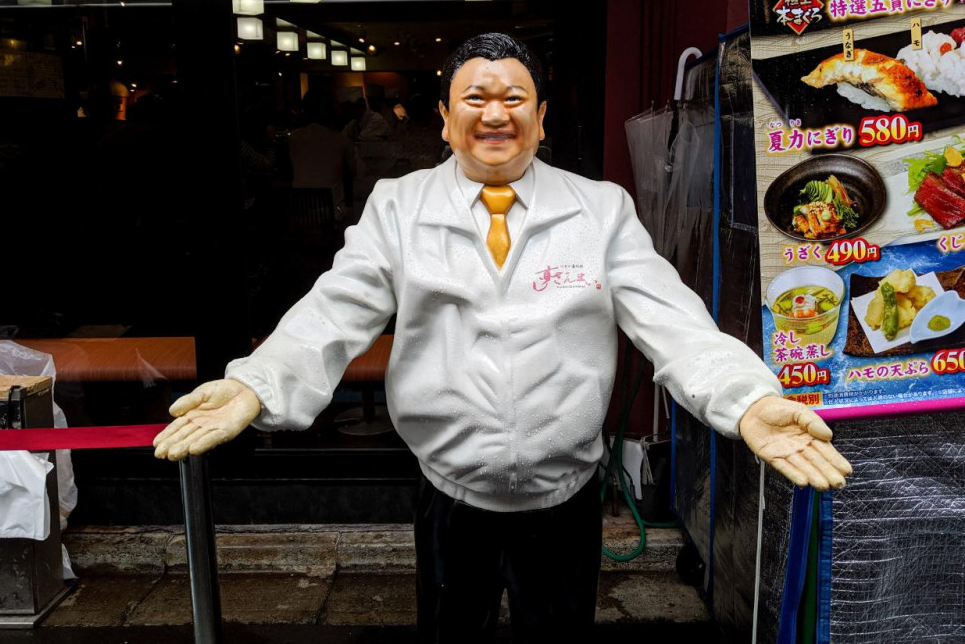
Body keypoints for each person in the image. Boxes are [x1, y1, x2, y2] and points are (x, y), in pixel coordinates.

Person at [154, 33, 851, 642]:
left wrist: (748, 399)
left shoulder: (598, 209)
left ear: (542, 119)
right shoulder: (400, 207)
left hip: (567, 494)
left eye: (516, 99)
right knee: (452, 634)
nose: (495, 114)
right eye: (475, 98)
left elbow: (672, 320)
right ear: (445, 119)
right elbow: (334, 311)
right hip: (450, 491)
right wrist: (257, 381)